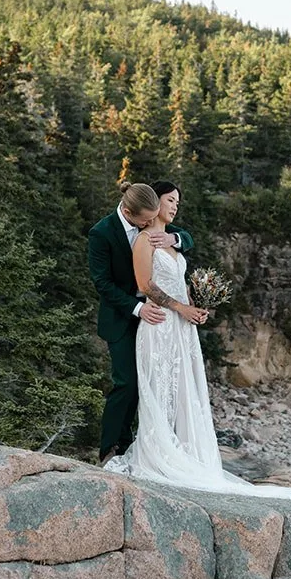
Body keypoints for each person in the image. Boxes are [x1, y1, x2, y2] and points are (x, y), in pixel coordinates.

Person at [106, 181, 291, 500]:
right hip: (159, 325)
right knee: (160, 388)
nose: (175, 206)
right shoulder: (144, 240)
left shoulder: (174, 240)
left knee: (185, 389)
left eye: (178, 202)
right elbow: (146, 285)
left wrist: (197, 307)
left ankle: (186, 453)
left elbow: (178, 278)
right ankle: (157, 454)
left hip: (183, 328)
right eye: (170, 200)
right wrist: (180, 307)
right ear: (154, 203)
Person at [87, 182, 194, 464]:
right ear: (127, 211)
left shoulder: (153, 220)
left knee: (157, 382)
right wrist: (137, 308)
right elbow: (103, 284)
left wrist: (174, 239)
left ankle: (148, 443)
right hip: (124, 316)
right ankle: (111, 448)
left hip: (158, 320)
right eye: (145, 220)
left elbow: (186, 237)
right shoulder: (102, 233)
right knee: (128, 382)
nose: (150, 223)